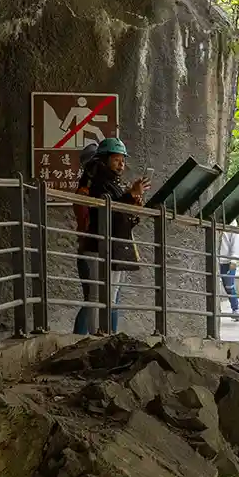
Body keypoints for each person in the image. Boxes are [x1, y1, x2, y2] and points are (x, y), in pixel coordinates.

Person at [72, 137, 150, 335]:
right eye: (116, 160)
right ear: (103, 160)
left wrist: (133, 202)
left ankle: (102, 334)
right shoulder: (98, 184)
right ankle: (94, 336)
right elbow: (105, 212)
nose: (121, 164)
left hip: (111, 245)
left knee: (110, 295)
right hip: (98, 246)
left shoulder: (111, 184)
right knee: (98, 296)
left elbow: (120, 215)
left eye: (122, 160)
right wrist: (129, 196)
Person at [218, 225, 239, 315]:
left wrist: (234, 261)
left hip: (227, 260)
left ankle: (235, 309)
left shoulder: (233, 224)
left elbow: (236, 244)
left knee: (229, 286)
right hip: (216, 258)